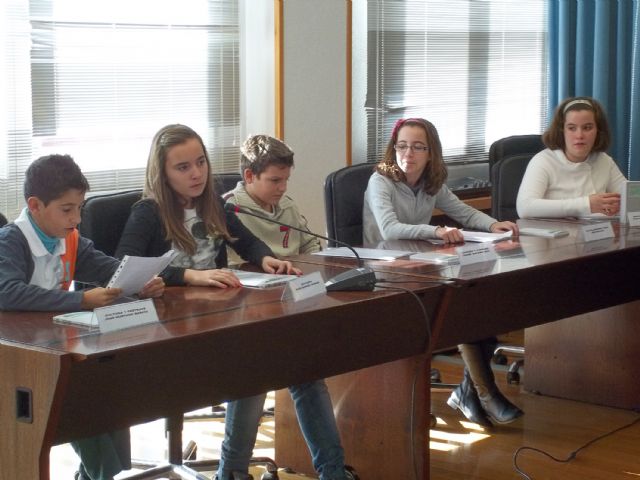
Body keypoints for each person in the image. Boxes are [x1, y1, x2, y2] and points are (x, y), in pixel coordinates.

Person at [114, 125, 305, 480]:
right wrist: (189, 275)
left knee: (277, 364)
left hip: (215, 319)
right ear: (163, 173)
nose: (197, 173)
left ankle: (246, 471)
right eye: (183, 167)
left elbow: (245, 241)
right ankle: (232, 470)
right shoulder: (148, 212)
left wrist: (265, 259)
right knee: (252, 367)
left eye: (200, 162)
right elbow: (125, 266)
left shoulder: (212, 202)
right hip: (167, 331)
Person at [0, 154, 164, 480]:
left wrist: (140, 282)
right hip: (18, 361)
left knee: (110, 404)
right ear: (35, 205)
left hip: (58, 351)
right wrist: (80, 299)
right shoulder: (11, 241)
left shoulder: (70, 239)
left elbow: (108, 269)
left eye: (80, 208)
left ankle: (100, 474)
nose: (76, 218)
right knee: (86, 414)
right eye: (67, 209)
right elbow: (7, 292)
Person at [362, 117, 523, 428]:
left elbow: (461, 210)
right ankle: (484, 393)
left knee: (478, 301)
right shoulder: (380, 181)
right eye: (402, 146)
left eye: (417, 147)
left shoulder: (429, 181)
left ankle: (472, 392)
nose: (408, 154)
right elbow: (390, 228)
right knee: (457, 307)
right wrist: (436, 232)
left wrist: (492, 225)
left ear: (431, 152)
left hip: (420, 265)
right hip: (383, 272)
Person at [221, 134, 356, 480]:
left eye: (286, 180)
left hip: (290, 312)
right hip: (246, 320)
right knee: (254, 377)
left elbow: (312, 246)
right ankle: (232, 470)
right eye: (274, 180)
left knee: (309, 376)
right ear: (249, 176)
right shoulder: (228, 211)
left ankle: (333, 471)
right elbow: (235, 269)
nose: (282, 188)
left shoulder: (288, 208)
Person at [516, 96, 626, 219]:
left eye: (587, 128)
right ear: (562, 131)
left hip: (597, 234)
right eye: (571, 128)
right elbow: (525, 208)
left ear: (598, 131)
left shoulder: (603, 160)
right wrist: (587, 204)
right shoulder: (543, 160)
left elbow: (631, 199)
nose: (579, 135)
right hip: (554, 235)